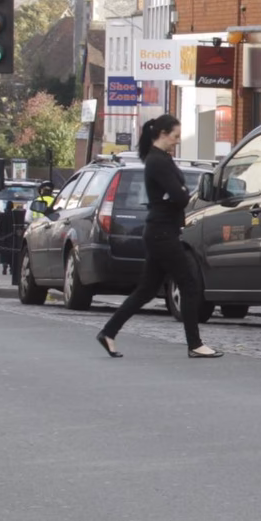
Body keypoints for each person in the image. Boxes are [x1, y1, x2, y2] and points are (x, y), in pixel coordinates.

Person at [95, 116, 220, 360]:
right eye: (174, 136)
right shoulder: (157, 161)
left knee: (147, 290)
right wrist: (180, 193)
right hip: (162, 233)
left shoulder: (161, 159)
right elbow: (181, 197)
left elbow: (177, 194)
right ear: (162, 133)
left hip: (160, 230)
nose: (177, 141)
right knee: (189, 283)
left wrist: (177, 193)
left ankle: (108, 332)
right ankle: (195, 344)